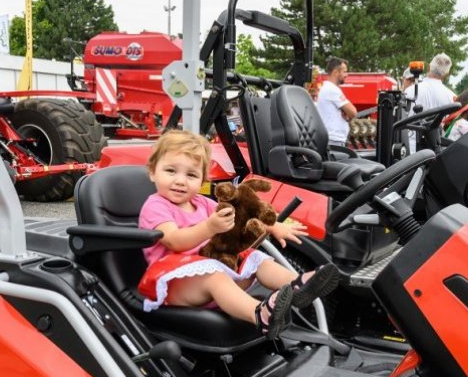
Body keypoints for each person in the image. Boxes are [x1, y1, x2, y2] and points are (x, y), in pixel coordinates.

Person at [137, 130, 340, 339]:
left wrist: (273, 227)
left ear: (202, 180)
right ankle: (260, 315)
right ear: (152, 172)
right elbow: (174, 241)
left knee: (256, 258)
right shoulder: (156, 206)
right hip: (175, 285)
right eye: (171, 171)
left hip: (210, 272)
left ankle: (298, 286)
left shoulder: (202, 202)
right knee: (214, 276)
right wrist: (209, 228)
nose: (180, 181)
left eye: (191, 175)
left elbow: (238, 217)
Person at [316, 57, 356, 147]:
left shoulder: (327, 88)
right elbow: (353, 112)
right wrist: (348, 115)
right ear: (336, 72)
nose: (347, 75)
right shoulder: (332, 89)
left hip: (332, 139)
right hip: (333, 140)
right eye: (344, 71)